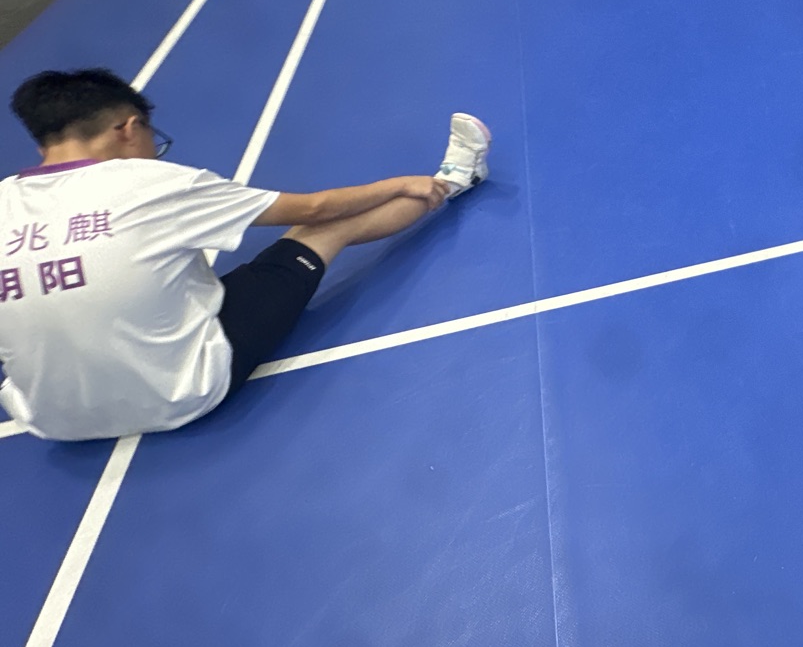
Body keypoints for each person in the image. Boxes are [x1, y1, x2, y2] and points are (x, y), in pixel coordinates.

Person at [0, 69, 492, 441]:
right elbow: (315, 207)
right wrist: (400, 183)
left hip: (52, 421)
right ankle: (452, 179)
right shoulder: (147, 181)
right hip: (180, 394)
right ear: (127, 128)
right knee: (322, 230)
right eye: (152, 137)